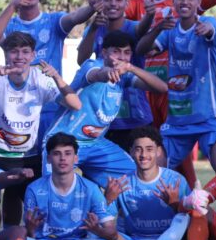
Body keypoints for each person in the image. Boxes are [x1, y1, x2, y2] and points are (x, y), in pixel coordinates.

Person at [117, 0, 216, 182]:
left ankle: (190, 195)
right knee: (154, 151)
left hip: (175, 88)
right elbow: (112, 4)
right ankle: (156, 205)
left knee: (183, 157)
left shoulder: (190, 9)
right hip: (146, 86)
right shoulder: (140, 3)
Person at [0, 31, 81, 225]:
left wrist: (58, 78)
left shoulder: (41, 78)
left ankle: (15, 239)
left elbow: (75, 104)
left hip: (26, 154)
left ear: (33, 55)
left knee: (24, 202)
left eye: (25, 52)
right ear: (6, 54)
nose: (19, 57)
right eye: (14, 51)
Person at [0, 0, 100, 140]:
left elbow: (75, 17)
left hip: (51, 109)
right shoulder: (8, 26)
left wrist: (91, 8)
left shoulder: (54, 21)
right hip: (16, 112)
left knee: (48, 160)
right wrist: (12, 7)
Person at [44, 31, 168, 187]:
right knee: (55, 191)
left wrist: (132, 68)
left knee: (136, 177)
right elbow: (98, 74)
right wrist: (109, 72)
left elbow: (162, 87)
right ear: (104, 52)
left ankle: (114, 209)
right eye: (116, 51)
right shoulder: (91, 65)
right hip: (63, 141)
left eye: (127, 53)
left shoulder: (125, 76)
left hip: (95, 143)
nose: (122, 57)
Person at [137, 0, 216, 175]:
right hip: (177, 120)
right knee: (151, 174)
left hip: (208, 118)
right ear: (174, 1)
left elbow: (211, 31)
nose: (185, 2)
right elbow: (141, 49)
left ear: (198, 2)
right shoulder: (170, 30)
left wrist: (207, 31)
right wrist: (159, 27)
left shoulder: (207, 22)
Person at [19, 133, 119, 240]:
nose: (62, 159)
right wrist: (30, 229)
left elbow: (112, 234)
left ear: (76, 158)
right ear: (48, 158)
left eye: (68, 153)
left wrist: (97, 229)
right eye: (57, 154)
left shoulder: (91, 189)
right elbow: (31, 233)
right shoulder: (34, 189)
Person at [75, 0, 152, 150]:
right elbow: (82, 60)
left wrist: (150, 16)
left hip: (136, 115)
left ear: (126, 3)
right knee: (101, 173)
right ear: (101, 2)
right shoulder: (95, 28)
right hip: (102, 117)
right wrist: (94, 26)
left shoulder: (134, 27)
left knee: (139, 170)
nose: (113, 4)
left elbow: (142, 29)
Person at [103, 127, 191, 240]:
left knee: (184, 217)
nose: (143, 154)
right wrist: (107, 199)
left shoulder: (175, 180)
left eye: (149, 149)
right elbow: (104, 220)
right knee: (101, 233)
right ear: (131, 151)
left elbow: (192, 217)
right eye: (138, 149)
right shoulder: (121, 182)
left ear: (158, 151)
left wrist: (175, 204)